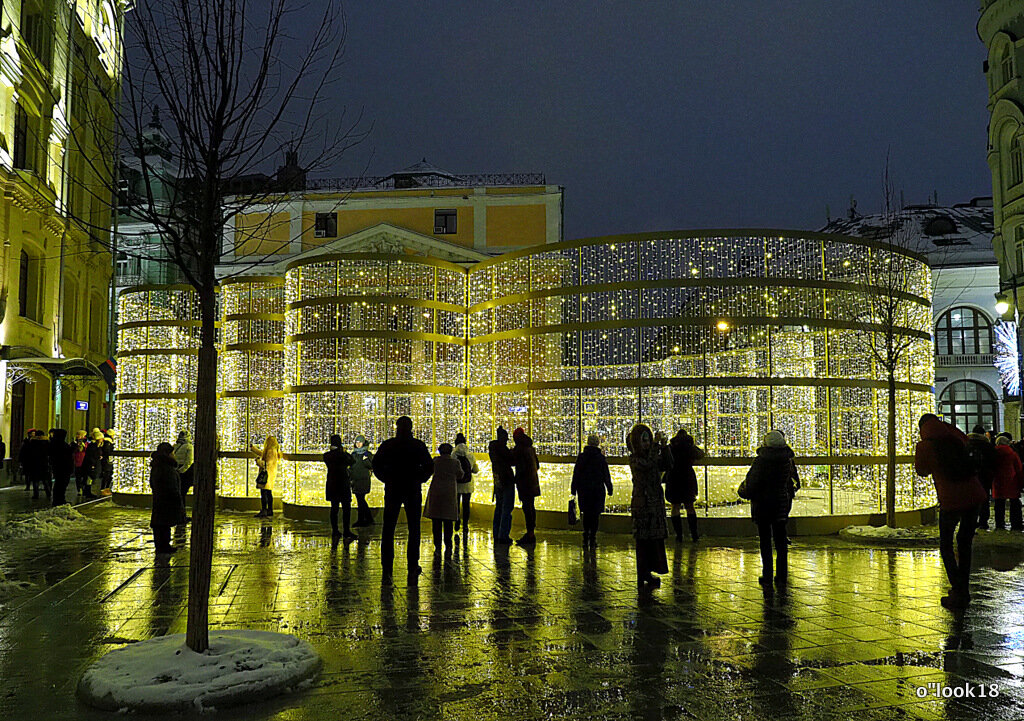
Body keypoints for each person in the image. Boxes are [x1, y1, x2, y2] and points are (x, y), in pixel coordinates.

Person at [915, 414, 986, 610]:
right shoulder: (956, 435)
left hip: (951, 500)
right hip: (974, 496)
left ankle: (959, 590)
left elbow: (921, 470)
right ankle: (962, 590)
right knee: (964, 543)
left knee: (946, 545)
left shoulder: (926, 445)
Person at [372, 416, 433, 584]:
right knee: (414, 528)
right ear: (411, 427)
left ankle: (387, 568)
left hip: (393, 488)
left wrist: (387, 478)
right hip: (412, 489)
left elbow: (376, 465)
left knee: (388, 528)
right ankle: (412, 565)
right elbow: (429, 467)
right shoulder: (418, 446)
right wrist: (418, 479)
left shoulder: (389, 445)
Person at [739, 430, 799, 592]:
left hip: (763, 505)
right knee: (780, 541)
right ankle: (781, 575)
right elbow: (792, 481)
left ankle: (767, 575)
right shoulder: (787, 460)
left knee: (765, 541)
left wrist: (743, 491)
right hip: (780, 504)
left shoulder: (761, 461)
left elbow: (752, 483)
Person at [628, 425, 673, 589]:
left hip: (654, 504)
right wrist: (655, 445)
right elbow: (647, 465)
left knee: (654, 541)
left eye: (648, 440)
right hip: (643, 506)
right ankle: (643, 574)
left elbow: (668, 464)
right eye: (644, 441)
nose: (647, 444)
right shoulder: (635, 459)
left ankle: (649, 572)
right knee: (643, 542)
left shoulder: (652, 455)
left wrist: (665, 446)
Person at [571, 434, 613, 547]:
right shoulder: (600, 458)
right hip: (597, 490)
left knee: (586, 513)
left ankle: (586, 535)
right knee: (595, 515)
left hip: (584, 490)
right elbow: (606, 475)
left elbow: (576, 474)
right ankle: (592, 537)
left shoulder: (582, 457)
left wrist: (573, 489)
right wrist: (609, 487)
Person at [665, 429, 705, 543]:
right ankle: (694, 534)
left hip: (673, 478)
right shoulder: (689, 447)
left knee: (675, 507)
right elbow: (700, 454)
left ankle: (679, 535)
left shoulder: (671, 447)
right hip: (687, 478)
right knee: (689, 506)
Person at [424, 443, 463, 557]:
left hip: (436, 491)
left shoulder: (435, 461)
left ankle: (437, 546)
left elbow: (428, 471)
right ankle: (448, 544)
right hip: (449, 492)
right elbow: (460, 475)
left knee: (436, 521)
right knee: (448, 520)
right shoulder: (455, 462)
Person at [149, 442, 184, 555]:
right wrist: (177, 498)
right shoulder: (166, 467)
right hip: (167, 499)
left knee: (161, 523)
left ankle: (162, 545)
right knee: (164, 523)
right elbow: (171, 485)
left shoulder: (158, 465)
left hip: (160, 499)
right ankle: (163, 546)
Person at [511, 427, 541, 546]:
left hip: (525, 483)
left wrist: (515, 479)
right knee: (530, 507)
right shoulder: (530, 448)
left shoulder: (520, 449)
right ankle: (531, 532)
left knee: (527, 508)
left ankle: (530, 534)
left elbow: (517, 464)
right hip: (533, 482)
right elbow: (537, 465)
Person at [323, 434, 355, 540]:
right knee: (346, 509)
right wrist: (344, 451)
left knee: (334, 509)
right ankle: (346, 531)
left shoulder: (327, 455)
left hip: (332, 484)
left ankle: (335, 530)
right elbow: (352, 461)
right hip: (343, 484)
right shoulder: (342, 455)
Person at [488, 426, 516, 544]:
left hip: (498, 481)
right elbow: (512, 460)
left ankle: (497, 533)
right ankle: (503, 535)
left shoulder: (493, 449)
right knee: (506, 509)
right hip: (507, 481)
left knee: (499, 507)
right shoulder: (502, 449)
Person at [966, 425, 996, 531]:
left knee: (970, 499)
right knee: (984, 498)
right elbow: (993, 461)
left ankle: (971, 521)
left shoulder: (966, 444)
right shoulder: (987, 445)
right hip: (984, 476)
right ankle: (983, 522)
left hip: (969, 476)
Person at [993, 433, 1023, 531]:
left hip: (997, 480)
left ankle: (999, 523)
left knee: (999, 503)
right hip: (1011, 480)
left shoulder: (993, 453)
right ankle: (1016, 524)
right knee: (1014, 503)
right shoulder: (1012, 453)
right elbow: (1019, 468)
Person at [250, 436, 282, 518]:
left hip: (266, 474)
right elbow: (263, 454)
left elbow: (266, 463)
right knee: (268, 492)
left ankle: (265, 510)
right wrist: (253, 449)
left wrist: (257, 461)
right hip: (270, 473)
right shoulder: (273, 451)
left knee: (264, 493)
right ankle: (269, 510)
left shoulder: (271, 451)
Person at [453, 433, 478, 533]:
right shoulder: (470, 455)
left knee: (456, 504)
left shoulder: (453, 455)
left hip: (457, 484)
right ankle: (466, 524)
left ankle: (457, 520)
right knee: (466, 504)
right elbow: (475, 470)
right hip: (468, 484)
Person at [350, 435, 375, 527]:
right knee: (360, 500)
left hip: (363, 480)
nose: (358, 444)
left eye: (360, 442)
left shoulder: (367, 454)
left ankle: (364, 519)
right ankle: (367, 519)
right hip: (355, 480)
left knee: (360, 500)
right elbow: (351, 466)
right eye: (357, 442)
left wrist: (365, 460)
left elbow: (371, 466)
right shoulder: (354, 454)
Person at [48, 429, 74, 506]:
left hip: (60, 467)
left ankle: (60, 499)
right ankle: (58, 500)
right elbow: (65, 454)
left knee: (61, 484)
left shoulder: (56, 443)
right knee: (61, 484)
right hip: (62, 467)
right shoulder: (59, 444)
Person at [23, 430, 51, 500]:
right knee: (45, 479)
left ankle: (36, 494)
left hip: (34, 463)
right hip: (44, 463)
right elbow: (49, 452)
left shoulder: (32, 442)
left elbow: (28, 453)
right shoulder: (47, 442)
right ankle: (48, 492)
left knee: (35, 480)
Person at [72, 430, 95, 499]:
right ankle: (79, 489)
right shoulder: (74, 443)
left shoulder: (87, 442)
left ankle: (84, 488)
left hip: (84, 460)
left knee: (85, 476)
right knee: (78, 476)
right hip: (77, 461)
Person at [173, 431, 194, 503]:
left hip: (178, 470)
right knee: (182, 492)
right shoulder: (189, 446)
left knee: (179, 492)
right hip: (182, 471)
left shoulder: (176, 446)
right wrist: (181, 470)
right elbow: (189, 461)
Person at [85, 430, 105, 496]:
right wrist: (93, 464)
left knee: (92, 478)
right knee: (90, 478)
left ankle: (90, 491)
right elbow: (91, 456)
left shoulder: (98, 446)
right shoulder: (93, 446)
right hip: (93, 464)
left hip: (96, 464)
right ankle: (89, 491)